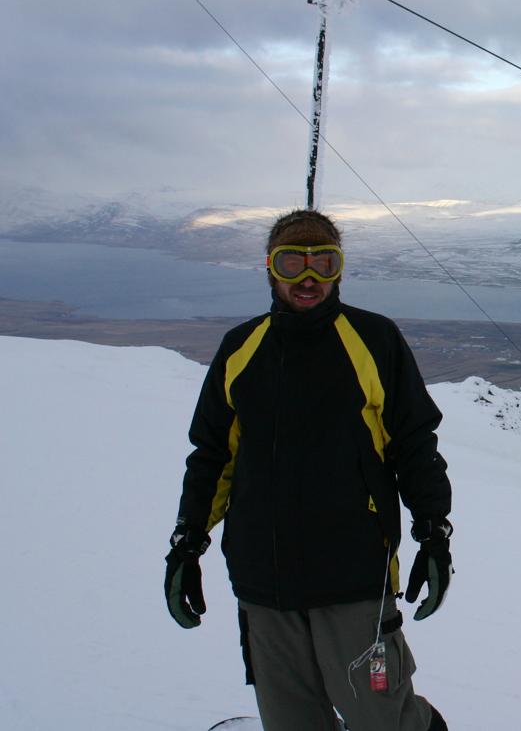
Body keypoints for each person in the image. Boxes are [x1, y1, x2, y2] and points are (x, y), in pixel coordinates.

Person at [163, 209, 452, 731]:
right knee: (292, 721)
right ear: (270, 269)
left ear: (340, 269)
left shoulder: (374, 339)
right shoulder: (241, 348)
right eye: (292, 262)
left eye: (324, 261)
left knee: (383, 718)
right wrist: (188, 541)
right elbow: (212, 456)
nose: (309, 278)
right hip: (261, 576)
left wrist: (433, 530)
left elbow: (412, 445)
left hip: (353, 573)